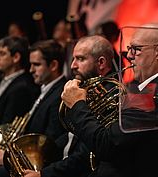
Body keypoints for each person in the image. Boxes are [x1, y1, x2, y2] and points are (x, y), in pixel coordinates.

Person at [61, 23, 158, 177]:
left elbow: (106, 145)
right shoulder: (157, 90)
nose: (129, 55)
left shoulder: (153, 96)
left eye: (136, 49)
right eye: (129, 49)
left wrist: (77, 104)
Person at [23, 35, 114, 177]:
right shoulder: (85, 89)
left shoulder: (110, 96)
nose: (73, 66)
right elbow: (68, 137)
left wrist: (43, 174)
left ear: (101, 63)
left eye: (81, 59)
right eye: (73, 59)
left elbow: (85, 155)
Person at [0, 39, 68, 176]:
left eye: (36, 65)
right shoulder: (46, 89)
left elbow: (49, 142)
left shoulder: (60, 94)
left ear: (53, 65)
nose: (31, 70)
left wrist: (8, 156)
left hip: (33, 165)